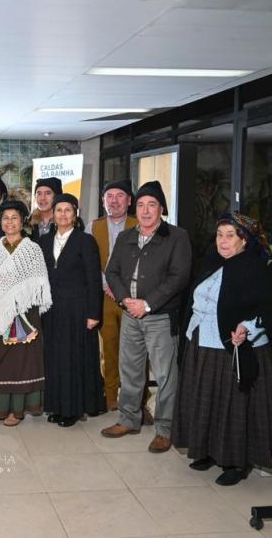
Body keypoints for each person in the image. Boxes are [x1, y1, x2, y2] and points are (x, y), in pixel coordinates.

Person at [172, 213, 272, 486]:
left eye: (230, 236)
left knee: (232, 405)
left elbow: (270, 312)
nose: (222, 241)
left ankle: (235, 462)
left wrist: (247, 327)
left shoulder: (258, 269)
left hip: (234, 347)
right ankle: (206, 451)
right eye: (219, 235)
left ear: (244, 240)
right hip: (202, 342)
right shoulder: (210, 263)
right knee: (205, 399)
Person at [102, 181, 192, 453]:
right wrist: (124, 300)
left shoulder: (177, 237)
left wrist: (148, 304)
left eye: (151, 204)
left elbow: (179, 277)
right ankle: (129, 419)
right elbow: (112, 272)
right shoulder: (125, 236)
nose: (145, 210)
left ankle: (165, 429)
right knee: (129, 370)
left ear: (161, 209)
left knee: (165, 375)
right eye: (141, 205)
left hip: (161, 317)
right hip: (130, 314)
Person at [0, 199, 51, 426]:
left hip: (23, 313)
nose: (10, 222)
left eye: (14, 218)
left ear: (22, 222)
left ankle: (16, 411)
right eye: (5, 218)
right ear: (0, 222)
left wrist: (17, 301)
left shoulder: (32, 249)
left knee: (21, 362)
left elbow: (39, 283)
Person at [39, 193, 105, 427]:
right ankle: (56, 406)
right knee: (54, 358)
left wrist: (94, 313)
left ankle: (73, 409)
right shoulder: (44, 241)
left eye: (68, 210)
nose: (63, 214)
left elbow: (94, 280)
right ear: (53, 215)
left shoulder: (85, 241)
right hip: (51, 310)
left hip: (78, 310)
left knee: (74, 359)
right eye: (59, 210)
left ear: (75, 214)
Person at [90, 180, 152, 420]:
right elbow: (89, 261)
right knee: (108, 349)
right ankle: (110, 397)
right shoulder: (92, 227)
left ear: (129, 200)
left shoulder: (141, 225)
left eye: (119, 196)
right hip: (104, 297)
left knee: (137, 350)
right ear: (103, 201)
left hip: (134, 298)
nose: (113, 200)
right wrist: (107, 285)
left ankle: (140, 401)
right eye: (109, 196)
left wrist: (122, 290)